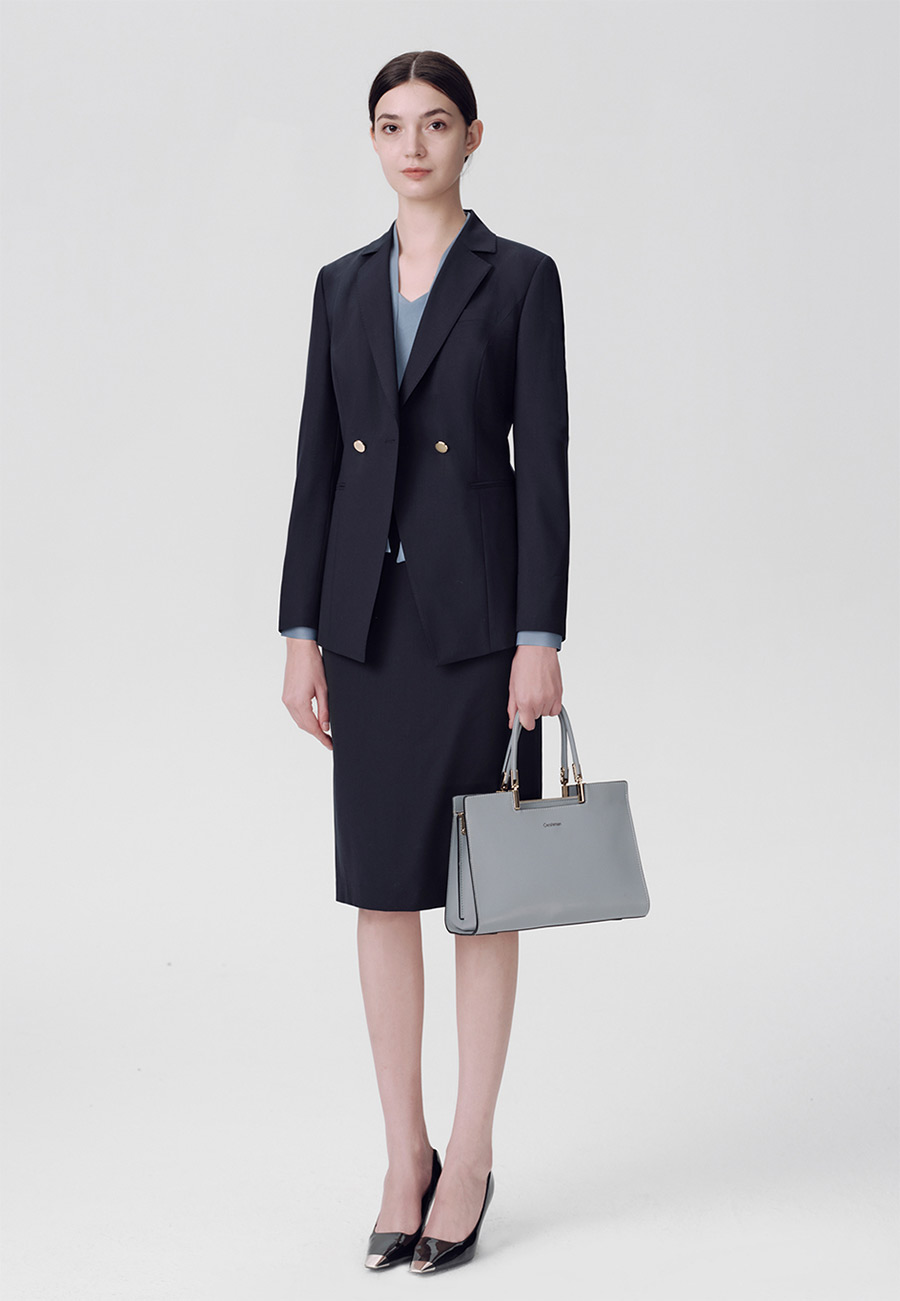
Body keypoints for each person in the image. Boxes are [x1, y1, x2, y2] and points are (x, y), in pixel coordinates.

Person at [279, 49, 570, 1273]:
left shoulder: (521, 278)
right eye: (393, 125)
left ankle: (473, 1147)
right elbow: (317, 464)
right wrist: (300, 628)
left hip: (478, 629)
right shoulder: (340, 285)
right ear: (373, 140)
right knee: (381, 889)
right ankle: (405, 1154)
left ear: (472, 137)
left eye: (436, 123)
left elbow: (543, 465)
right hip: (367, 631)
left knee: (482, 888)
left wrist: (540, 637)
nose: (413, 145)